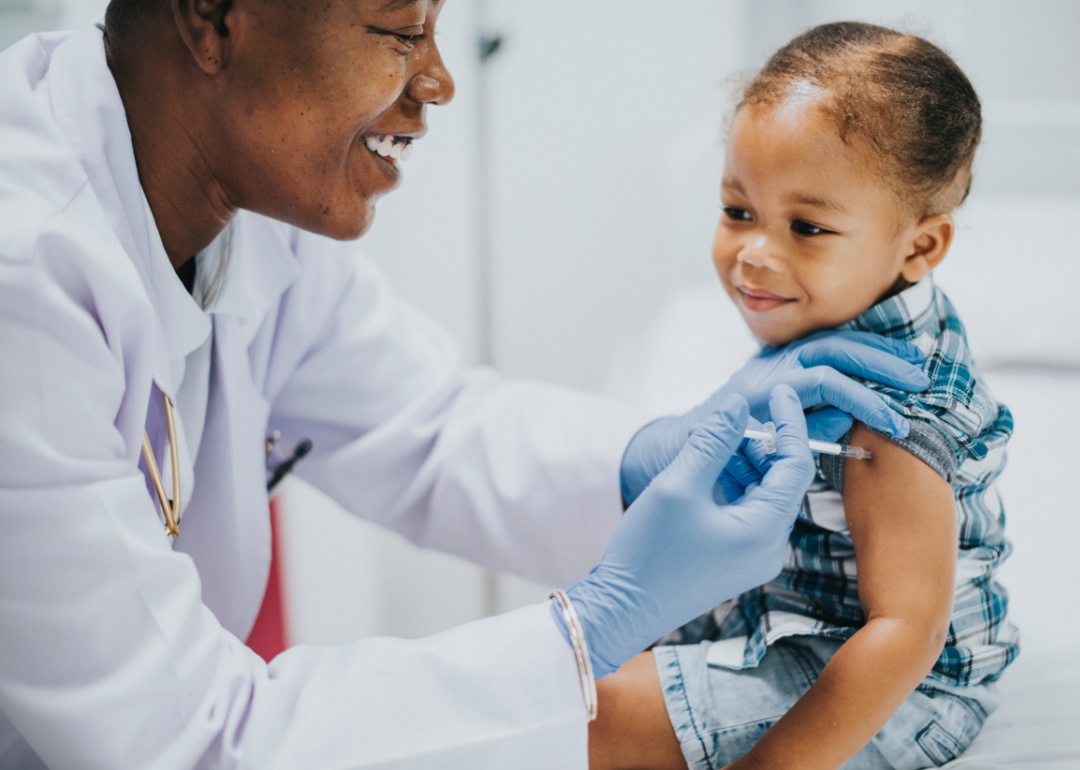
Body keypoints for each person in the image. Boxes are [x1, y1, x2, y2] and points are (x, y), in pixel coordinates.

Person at [0, 3, 931, 768]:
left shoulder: (249, 208)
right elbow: (180, 740)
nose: (438, 79)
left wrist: (647, 463)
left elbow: (429, 426)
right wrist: (591, 625)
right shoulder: (25, 268)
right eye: (401, 32)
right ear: (211, 18)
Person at [590, 22, 1018, 770]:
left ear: (920, 246)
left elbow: (905, 632)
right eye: (737, 210)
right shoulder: (840, 307)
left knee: (586, 717)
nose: (755, 252)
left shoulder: (890, 410)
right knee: (566, 677)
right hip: (795, 617)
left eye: (807, 226)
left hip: (893, 686)